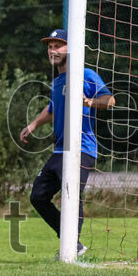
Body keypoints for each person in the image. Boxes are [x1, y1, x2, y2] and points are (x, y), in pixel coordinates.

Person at [20, 28, 114, 256]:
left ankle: (72, 247)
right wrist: (33, 125)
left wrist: (89, 102)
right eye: (50, 47)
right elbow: (51, 110)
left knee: (71, 194)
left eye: (57, 46)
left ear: (70, 49)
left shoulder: (86, 74)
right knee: (38, 196)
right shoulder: (57, 82)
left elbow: (109, 100)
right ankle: (72, 241)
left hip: (82, 148)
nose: (52, 50)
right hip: (61, 150)